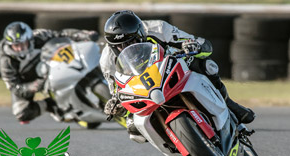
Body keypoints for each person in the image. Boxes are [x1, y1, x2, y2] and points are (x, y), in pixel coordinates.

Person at [101, 10, 255, 143]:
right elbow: (116, 89)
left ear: (141, 33)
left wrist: (193, 46)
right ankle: (172, 145)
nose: (126, 48)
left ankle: (229, 105)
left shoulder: (159, 29)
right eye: (119, 46)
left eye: (131, 41)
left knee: (206, 65)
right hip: (142, 87)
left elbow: (203, 45)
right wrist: (115, 103)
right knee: (134, 129)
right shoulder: (107, 60)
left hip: (170, 68)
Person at [0, 21, 99, 124]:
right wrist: (34, 85)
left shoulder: (39, 35)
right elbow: (14, 87)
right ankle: (52, 105)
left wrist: (83, 34)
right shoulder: (5, 60)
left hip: (52, 63)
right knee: (22, 113)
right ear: (10, 45)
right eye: (16, 46)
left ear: (29, 39)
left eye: (23, 44)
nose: (20, 49)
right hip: (29, 80)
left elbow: (61, 34)